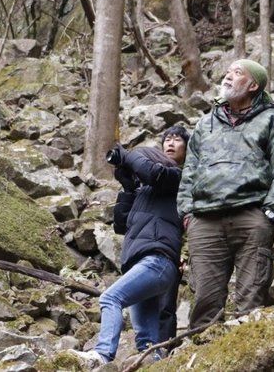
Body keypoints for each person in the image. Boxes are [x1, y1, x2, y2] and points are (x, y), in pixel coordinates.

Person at [177, 59, 274, 329]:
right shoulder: (205, 124)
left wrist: (269, 212)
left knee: (251, 300)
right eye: (228, 72)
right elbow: (190, 171)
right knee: (204, 302)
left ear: (253, 85)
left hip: (251, 217)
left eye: (237, 73)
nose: (228, 77)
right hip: (205, 220)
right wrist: (187, 214)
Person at [71, 126, 189, 368]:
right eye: (166, 139)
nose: (170, 142)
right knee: (146, 341)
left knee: (110, 298)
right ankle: (155, 364)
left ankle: (102, 355)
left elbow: (153, 173)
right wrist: (128, 188)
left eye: (176, 139)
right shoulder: (146, 191)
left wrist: (130, 155)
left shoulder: (176, 178)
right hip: (144, 263)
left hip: (157, 261)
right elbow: (122, 224)